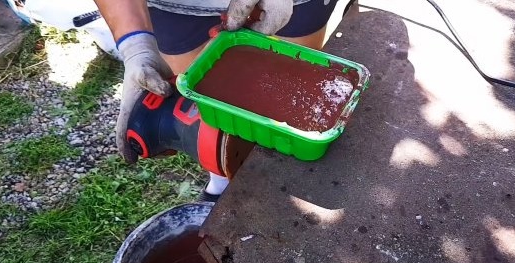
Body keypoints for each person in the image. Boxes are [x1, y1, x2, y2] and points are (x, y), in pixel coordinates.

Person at [92, 0, 340, 198]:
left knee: (292, 93)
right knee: (208, 119)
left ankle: (282, 188)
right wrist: (135, 44)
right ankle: (222, 181)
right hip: (180, 7)